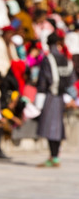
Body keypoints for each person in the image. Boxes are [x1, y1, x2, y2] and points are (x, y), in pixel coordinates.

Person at [36, 32, 77, 167]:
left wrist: (38, 101)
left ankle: (54, 157)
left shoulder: (48, 59)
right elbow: (71, 79)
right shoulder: (65, 58)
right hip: (62, 97)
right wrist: (70, 96)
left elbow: (44, 80)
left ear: (48, 43)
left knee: (50, 127)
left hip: (51, 95)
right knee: (58, 127)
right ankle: (55, 156)